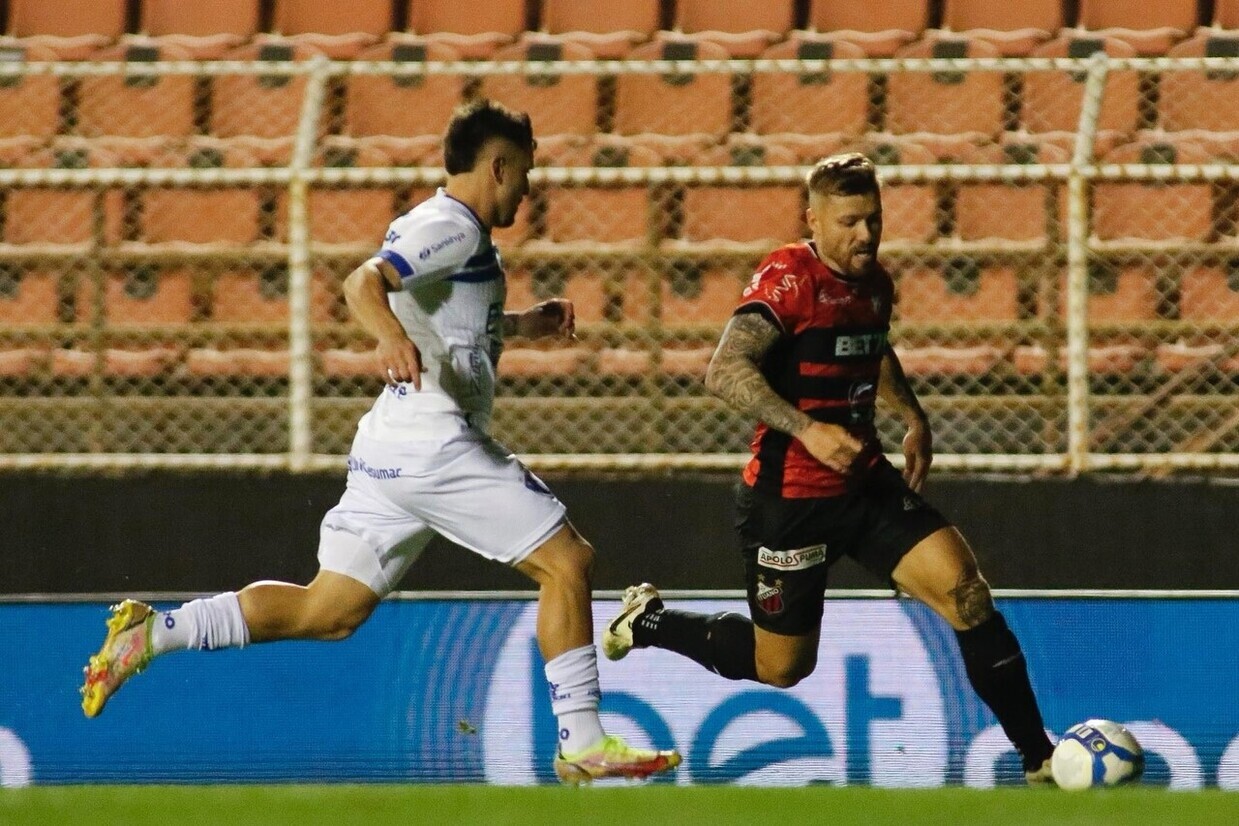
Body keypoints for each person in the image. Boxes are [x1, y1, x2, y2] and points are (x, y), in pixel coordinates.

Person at [80, 99, 680, 785]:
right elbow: (364, 281)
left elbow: (447, 322)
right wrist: (385, 335)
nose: (527, 189)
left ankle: (152, 634)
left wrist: (523, 325)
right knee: (567, 562)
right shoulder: (449, 225)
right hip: (432, 444)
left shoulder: (455, 234)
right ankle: (582, 741)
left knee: (328, 609)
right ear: (499, 165)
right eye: (524, 173)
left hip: (390, 448)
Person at [602, 153, 1056, 784]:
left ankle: (1040, 757)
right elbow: (726, 370)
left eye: (873, 219)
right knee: (782, 668)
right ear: (812, 218)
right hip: (789, 501)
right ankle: (647, 621)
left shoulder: (875, 285)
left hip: (865, 485)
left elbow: (872, 347)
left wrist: (913, 415)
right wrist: (807, 429)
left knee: (968, 594)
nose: (864, 235)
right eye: (848, 222)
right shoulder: (789, 279)